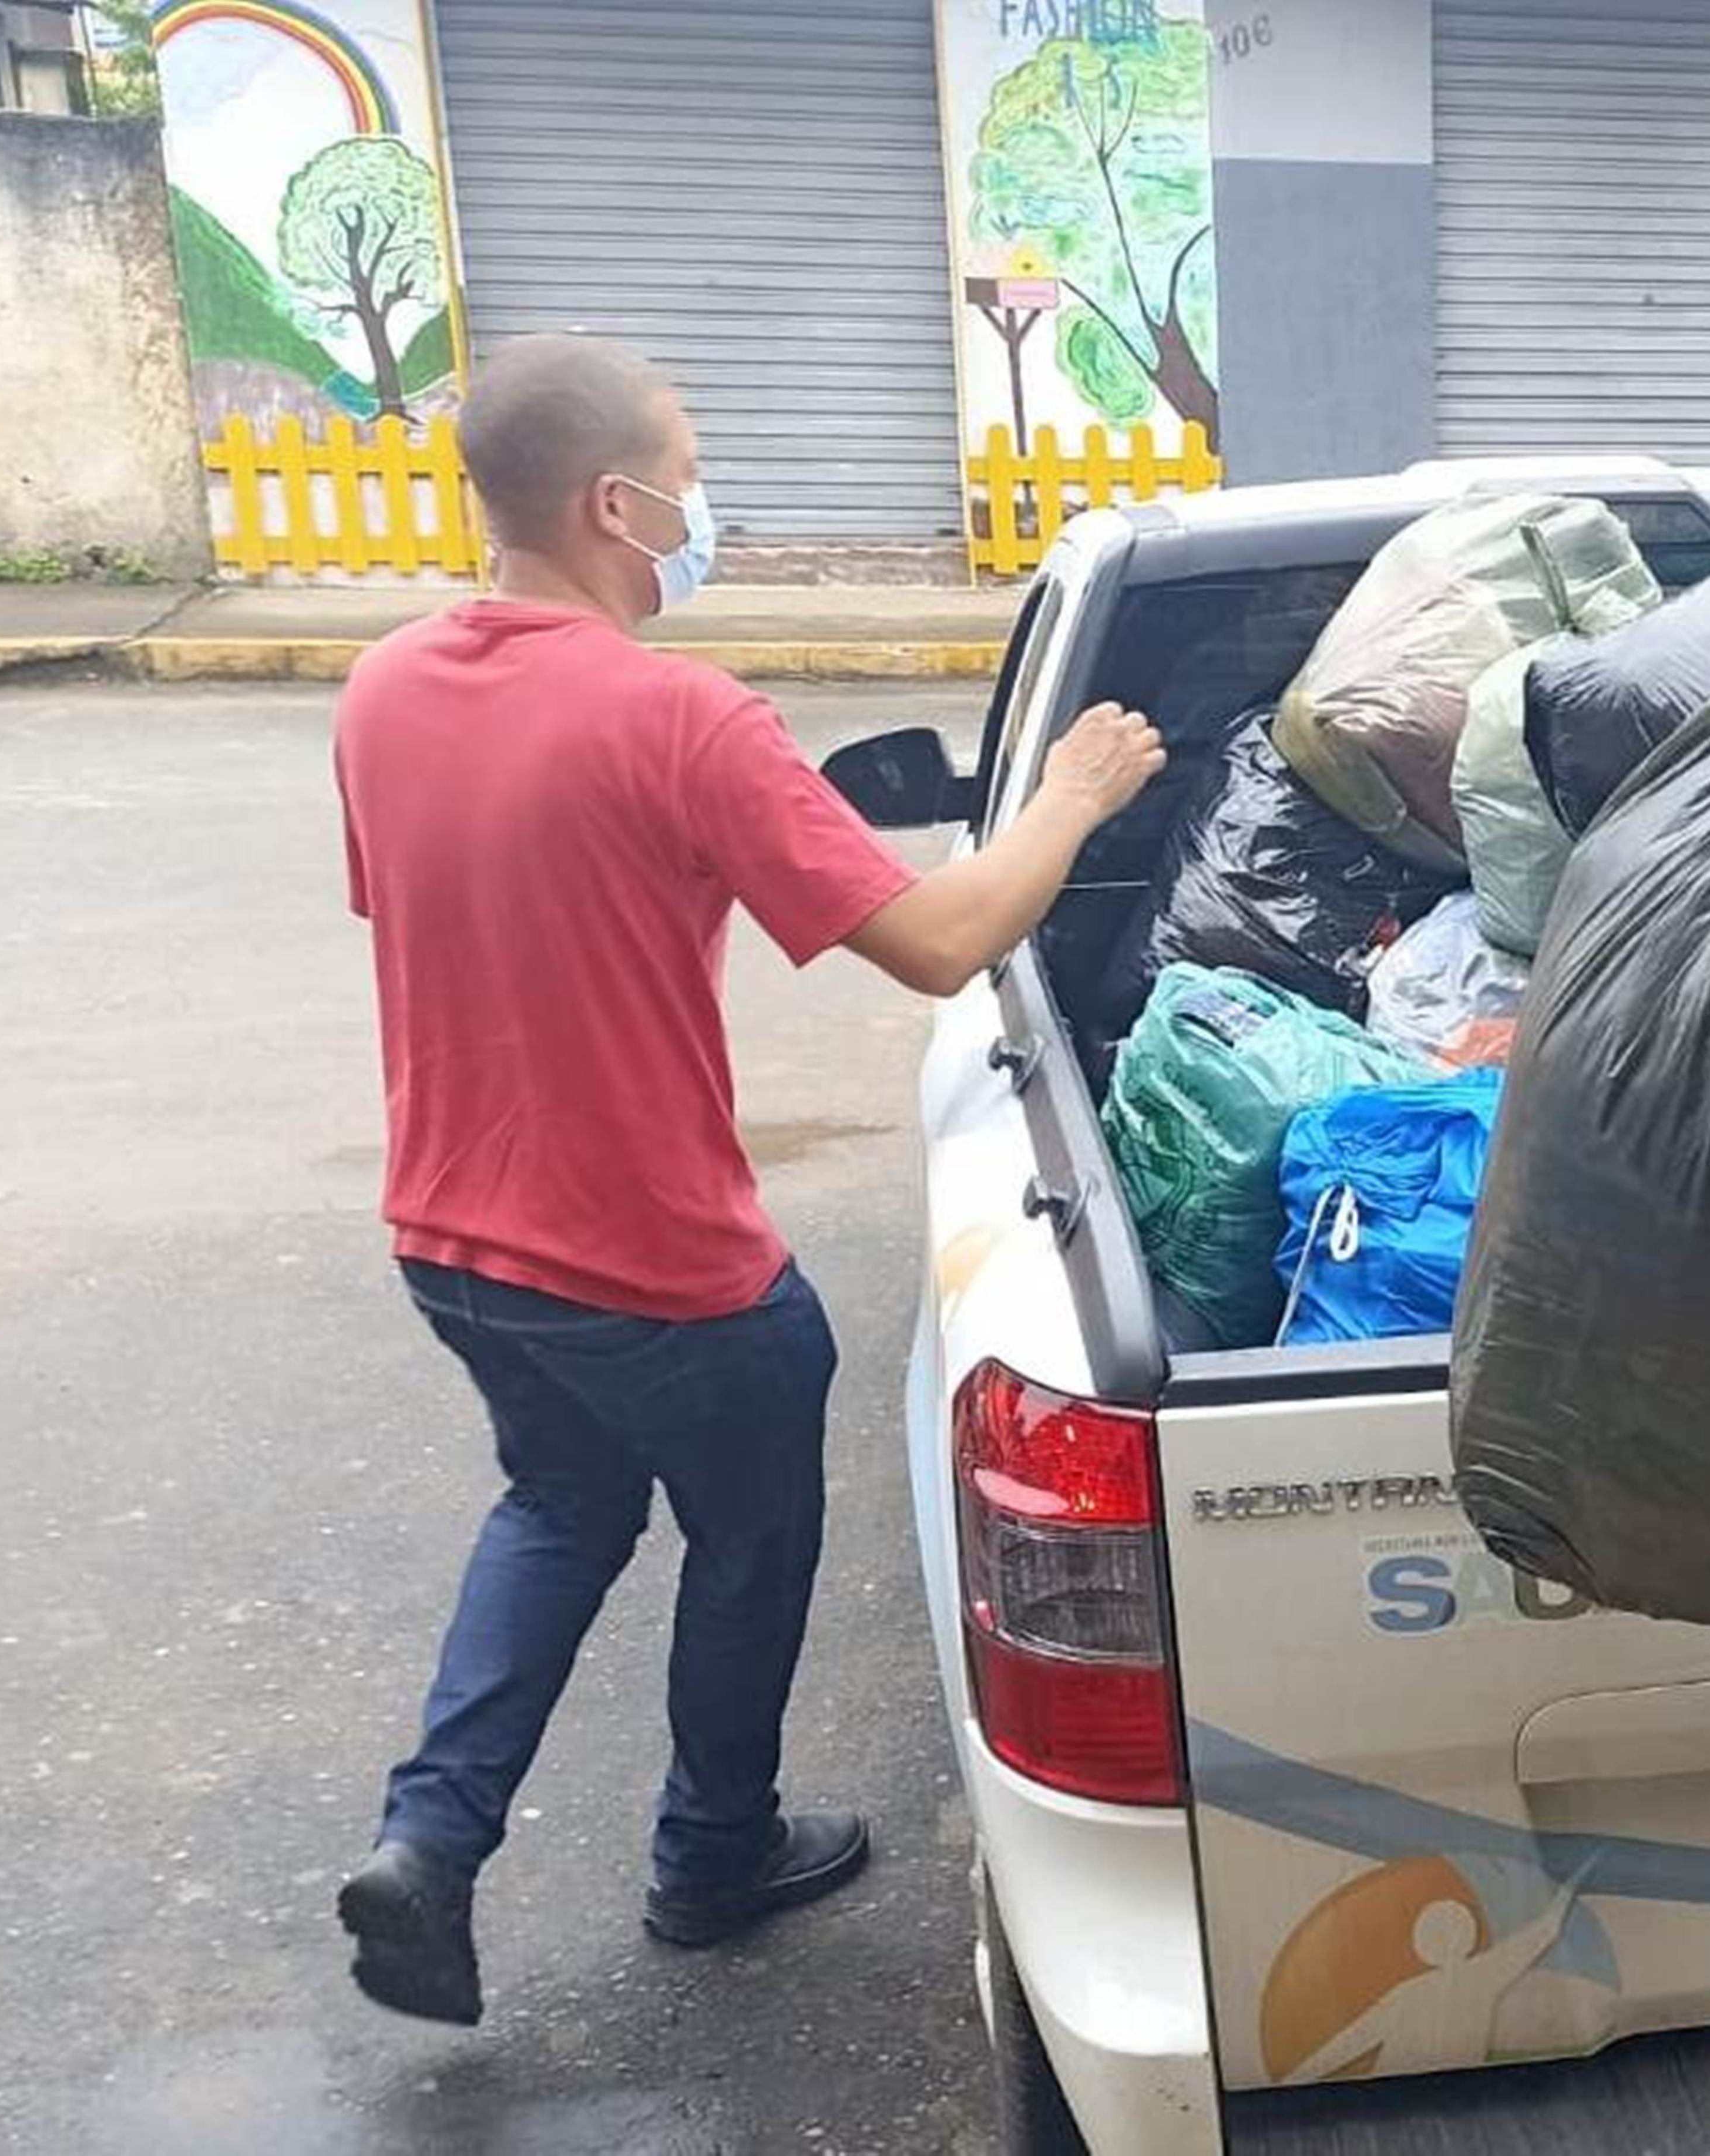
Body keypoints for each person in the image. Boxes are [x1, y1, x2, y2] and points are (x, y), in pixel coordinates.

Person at [330, 334, 1167, 2026]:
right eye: (689, 474)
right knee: (748, 1535)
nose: (703, 505)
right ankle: (712, 1857)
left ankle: (428, 1842)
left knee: (562, 1504)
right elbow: (939, 942)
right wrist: (1073, 797)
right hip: (658, 1262)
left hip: (454, 1238)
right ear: (613, 505)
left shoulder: (387, 689)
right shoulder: (683, 717)